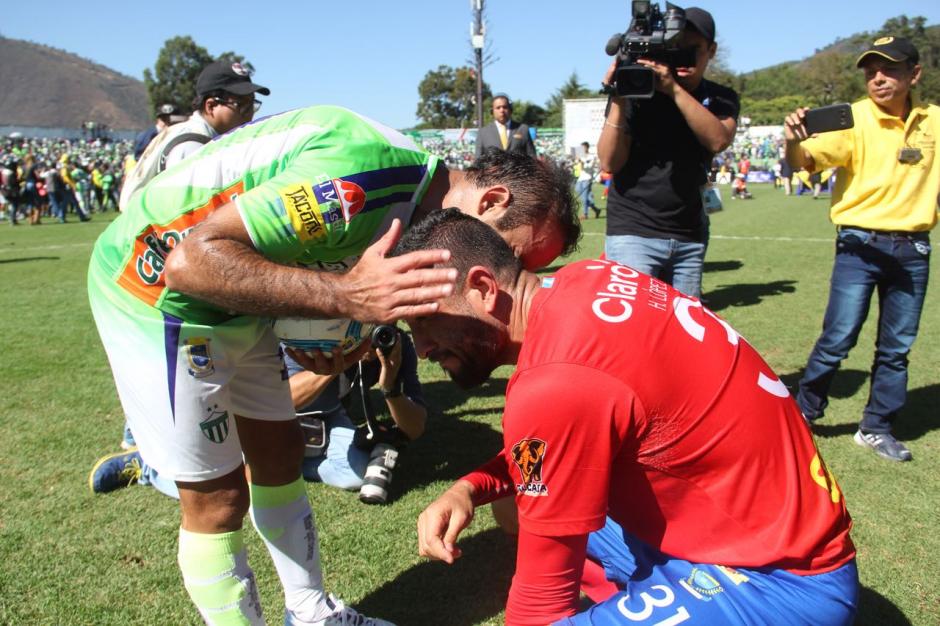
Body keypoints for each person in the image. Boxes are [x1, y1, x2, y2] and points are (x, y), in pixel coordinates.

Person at [88, 104, 578, 626]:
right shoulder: (362, 176)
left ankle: (310, 612)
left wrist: (331, 329)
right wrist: (345, 297)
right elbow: (189, 263)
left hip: (233, 305)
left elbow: (296, 267)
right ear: (493, 200)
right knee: (219, 499)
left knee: (279, 453)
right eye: (511, 258)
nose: (501, 284)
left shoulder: (412, 211)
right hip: (152, 294)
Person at [398, 209, 858, 625]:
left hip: (779, 582)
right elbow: (545, 449)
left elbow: (541, 601)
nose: (421, 348)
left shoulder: (557, 380)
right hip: (756, 534)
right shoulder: (587, 277)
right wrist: (469, 486)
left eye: (426, 321)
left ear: (482, 289)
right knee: (514, 496)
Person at [785, 36, 938, 462]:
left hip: (914, 250)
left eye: (889, 70)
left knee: (897, 347)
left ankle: (876, 427)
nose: (878, 78)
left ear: (914, 74)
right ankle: (803, 415)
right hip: (859, 244)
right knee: (838, 337)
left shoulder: (935, 122)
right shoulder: (851, 118)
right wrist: (792, 139)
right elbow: (804, 162)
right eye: (871, 71)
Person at [598, 7, 738, 298]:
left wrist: (673, 89)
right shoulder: (638, 88)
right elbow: (609, 161)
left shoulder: (722, 96)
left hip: (689, 233)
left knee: (682, 330)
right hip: (633, 230)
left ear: (711, 51)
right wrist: (619, 98)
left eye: (693, 49)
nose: (684, 57)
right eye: (677, 48)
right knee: (635, 326)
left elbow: (717, 140)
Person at [287, 326, 426, 501]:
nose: (374, 332)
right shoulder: (313, 332)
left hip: (330, 417)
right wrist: (343, 359)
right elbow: (285, 400)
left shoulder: (394, 342)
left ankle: (290, 465)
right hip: (276, 418)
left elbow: (415, 428)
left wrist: (390, 388)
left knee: (358, 473)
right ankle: (276, 460)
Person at [119, 59, 270, 211]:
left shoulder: (199, 137)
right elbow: (185, 214)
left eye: (252, 104)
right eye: (241, 105)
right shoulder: (192, 145)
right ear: (211, 106)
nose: (249, 113)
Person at [475, 93, 538, 158]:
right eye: (498, 108)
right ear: (492, 111)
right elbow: (477, 161)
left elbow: (532, 157)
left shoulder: (523, 129)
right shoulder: (483, 133)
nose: (502, 110)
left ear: (510, 110)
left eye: (505, 107)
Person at [574, 141, 601, 219]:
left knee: (585, 197)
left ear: (586, 147)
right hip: (580, 178)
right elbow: (577, 165)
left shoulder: (591, 156)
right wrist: (577, 160)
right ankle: (596, 210)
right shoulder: (580, 156)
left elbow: (589, 167)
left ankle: (585, 214)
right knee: (581, 195)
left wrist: (582, 161)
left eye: (583, 147)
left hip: (587, 178)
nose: (581, 149)